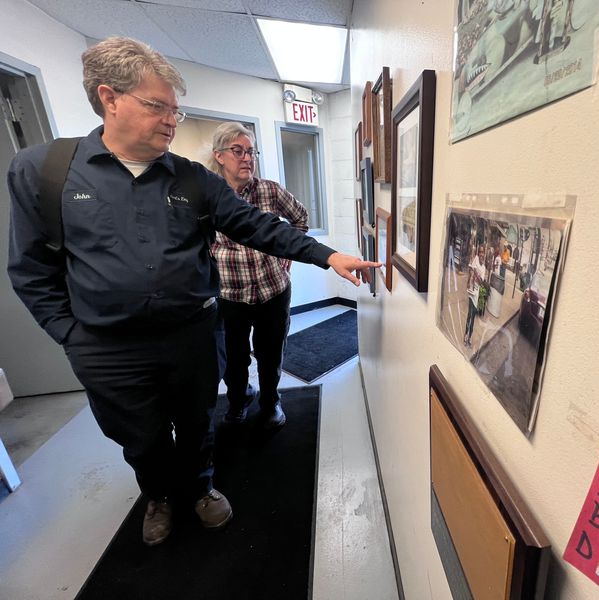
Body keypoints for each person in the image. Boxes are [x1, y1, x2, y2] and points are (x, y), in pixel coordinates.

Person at [5, 37, 378, 547]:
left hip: (191, 336)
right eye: (156, 106)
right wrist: (70, 335)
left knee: (199, 419)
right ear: (110, 98)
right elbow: (30, 268)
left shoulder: (193, 179)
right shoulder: (44, 171)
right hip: (106, 347)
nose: (170, 120)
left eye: (174, 109)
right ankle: (158, 495)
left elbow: (254, 223)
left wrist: (328, 256)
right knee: (140, 435)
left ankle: (201, 487)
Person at [207, 121, 302, 428]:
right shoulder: (207, 197)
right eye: (238, 151)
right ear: (219, 156)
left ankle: (271, 401)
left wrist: (286, 253)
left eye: (251, 151)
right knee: (232, 358)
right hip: (228, 296)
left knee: (270, 354)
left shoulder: (269, 191)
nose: (247, 158)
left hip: (272, 292)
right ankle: (238, 400)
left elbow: (299, 218)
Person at [464, 245, 486, 347]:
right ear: (478, 253)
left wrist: (475, 272)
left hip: (476, 293)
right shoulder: (475, 259)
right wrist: (471, 278)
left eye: (483, 252)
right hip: (471, 290)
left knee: (473, 316)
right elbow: (471, 271)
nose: (481, 254)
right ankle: (465, 335)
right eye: (480, 252)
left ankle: (469, 338)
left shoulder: (484, 267)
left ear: (484, 254)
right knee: (469, 314)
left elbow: (481, 282)